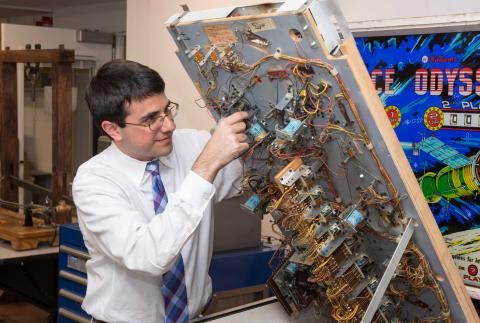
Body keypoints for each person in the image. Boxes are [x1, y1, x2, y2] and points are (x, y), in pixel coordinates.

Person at [72, 59, 249, 323]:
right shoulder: (94, 181)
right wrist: (206, 165)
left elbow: (245, 177)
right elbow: (149, 256)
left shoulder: (192, 144)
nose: (168, 126)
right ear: (112, 129)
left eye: (167, 111)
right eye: (151, 120)